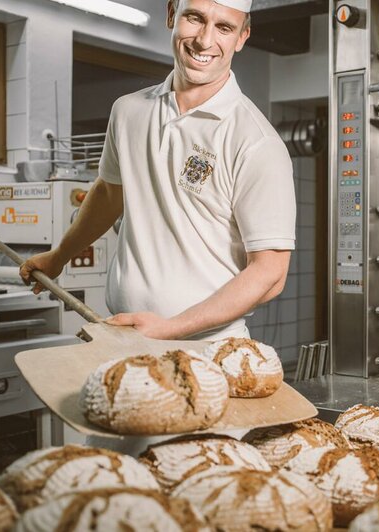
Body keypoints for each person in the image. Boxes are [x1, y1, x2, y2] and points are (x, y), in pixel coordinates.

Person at [20, 0, 295, 343]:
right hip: (124, 334)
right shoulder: (128, 111)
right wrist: (58, 257)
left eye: (224, 27)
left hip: (209, 348)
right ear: (171, 15)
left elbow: (270, 273)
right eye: (195, 18)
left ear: (242, 36)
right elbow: (109, 194)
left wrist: (169, 329)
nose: (205, 40)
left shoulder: (255, 141)